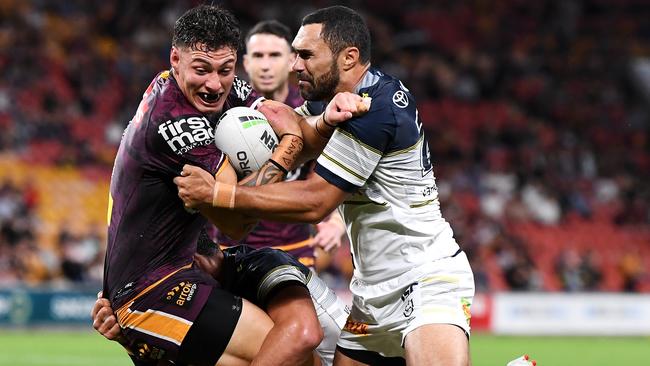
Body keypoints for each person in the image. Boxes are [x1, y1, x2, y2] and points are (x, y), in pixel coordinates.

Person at [175, 5, 475, 366]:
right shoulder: (336, 104)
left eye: (305, 55)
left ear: (348, 58)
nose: (294, 65)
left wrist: (219, 194)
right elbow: (297, 140)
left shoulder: (374, 108)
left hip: (425, 276)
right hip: (372, 293)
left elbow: (316, 201)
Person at [99, 5, 347, 365]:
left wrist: (325, 120)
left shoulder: (214, 92)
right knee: (293, 352)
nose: (215, 84)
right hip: (152, 292)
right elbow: (236, 222)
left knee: (299, 346)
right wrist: (283, 152)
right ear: (175, 60)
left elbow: (286, 122)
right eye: (201, 70)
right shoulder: (176, 124)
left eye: (225, 70)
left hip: (197, 269)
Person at [94, 229, 350, 366]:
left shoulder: (263, 263)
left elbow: (303, 336)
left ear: (192, 262)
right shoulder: (210, 309)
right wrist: (128, 341)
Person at [217, 20, 346, 269]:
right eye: (258, 56)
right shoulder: (220, 106)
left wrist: (336, 224)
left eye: (274, 55)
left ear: (291, 61)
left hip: (294, 248)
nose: (265, 65)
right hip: (229, 246)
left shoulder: (314, 111)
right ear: (245, 63)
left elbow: (343, 172)